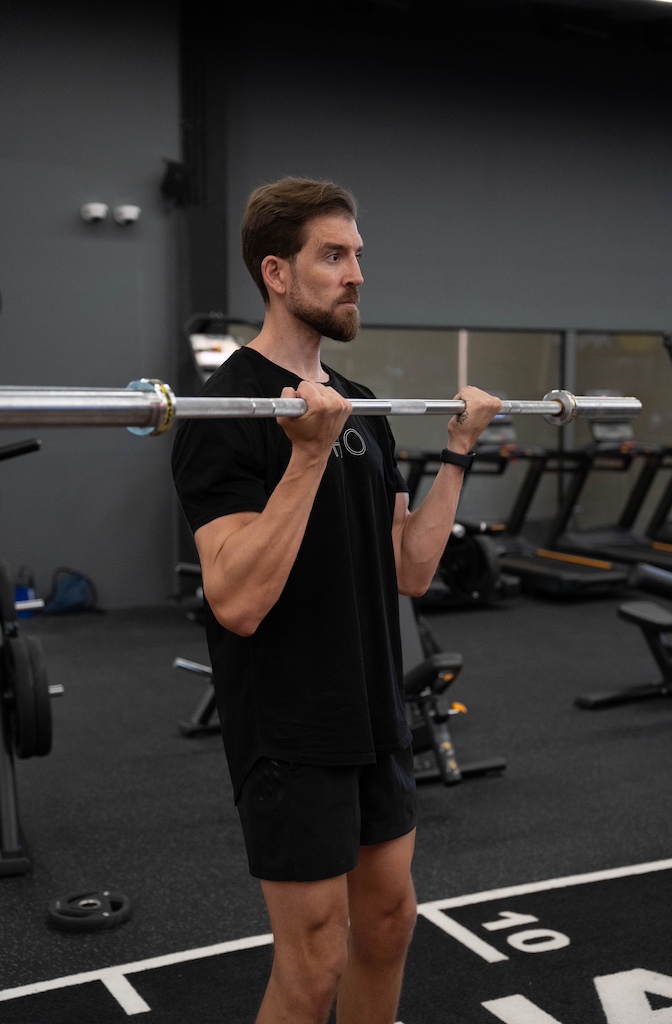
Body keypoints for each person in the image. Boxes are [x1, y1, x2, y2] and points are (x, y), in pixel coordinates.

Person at [171, 176, 501, 1024]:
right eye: (333, 256)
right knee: (313, 961)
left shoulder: (365, 409)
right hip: (289, 722)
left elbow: (411, 571)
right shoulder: (226, 409)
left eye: (357, 256)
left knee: (388, 923)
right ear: (276, 272)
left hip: (373, 708)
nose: (356, 274)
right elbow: (236, 601)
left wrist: (458, 451)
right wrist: (306, 456)